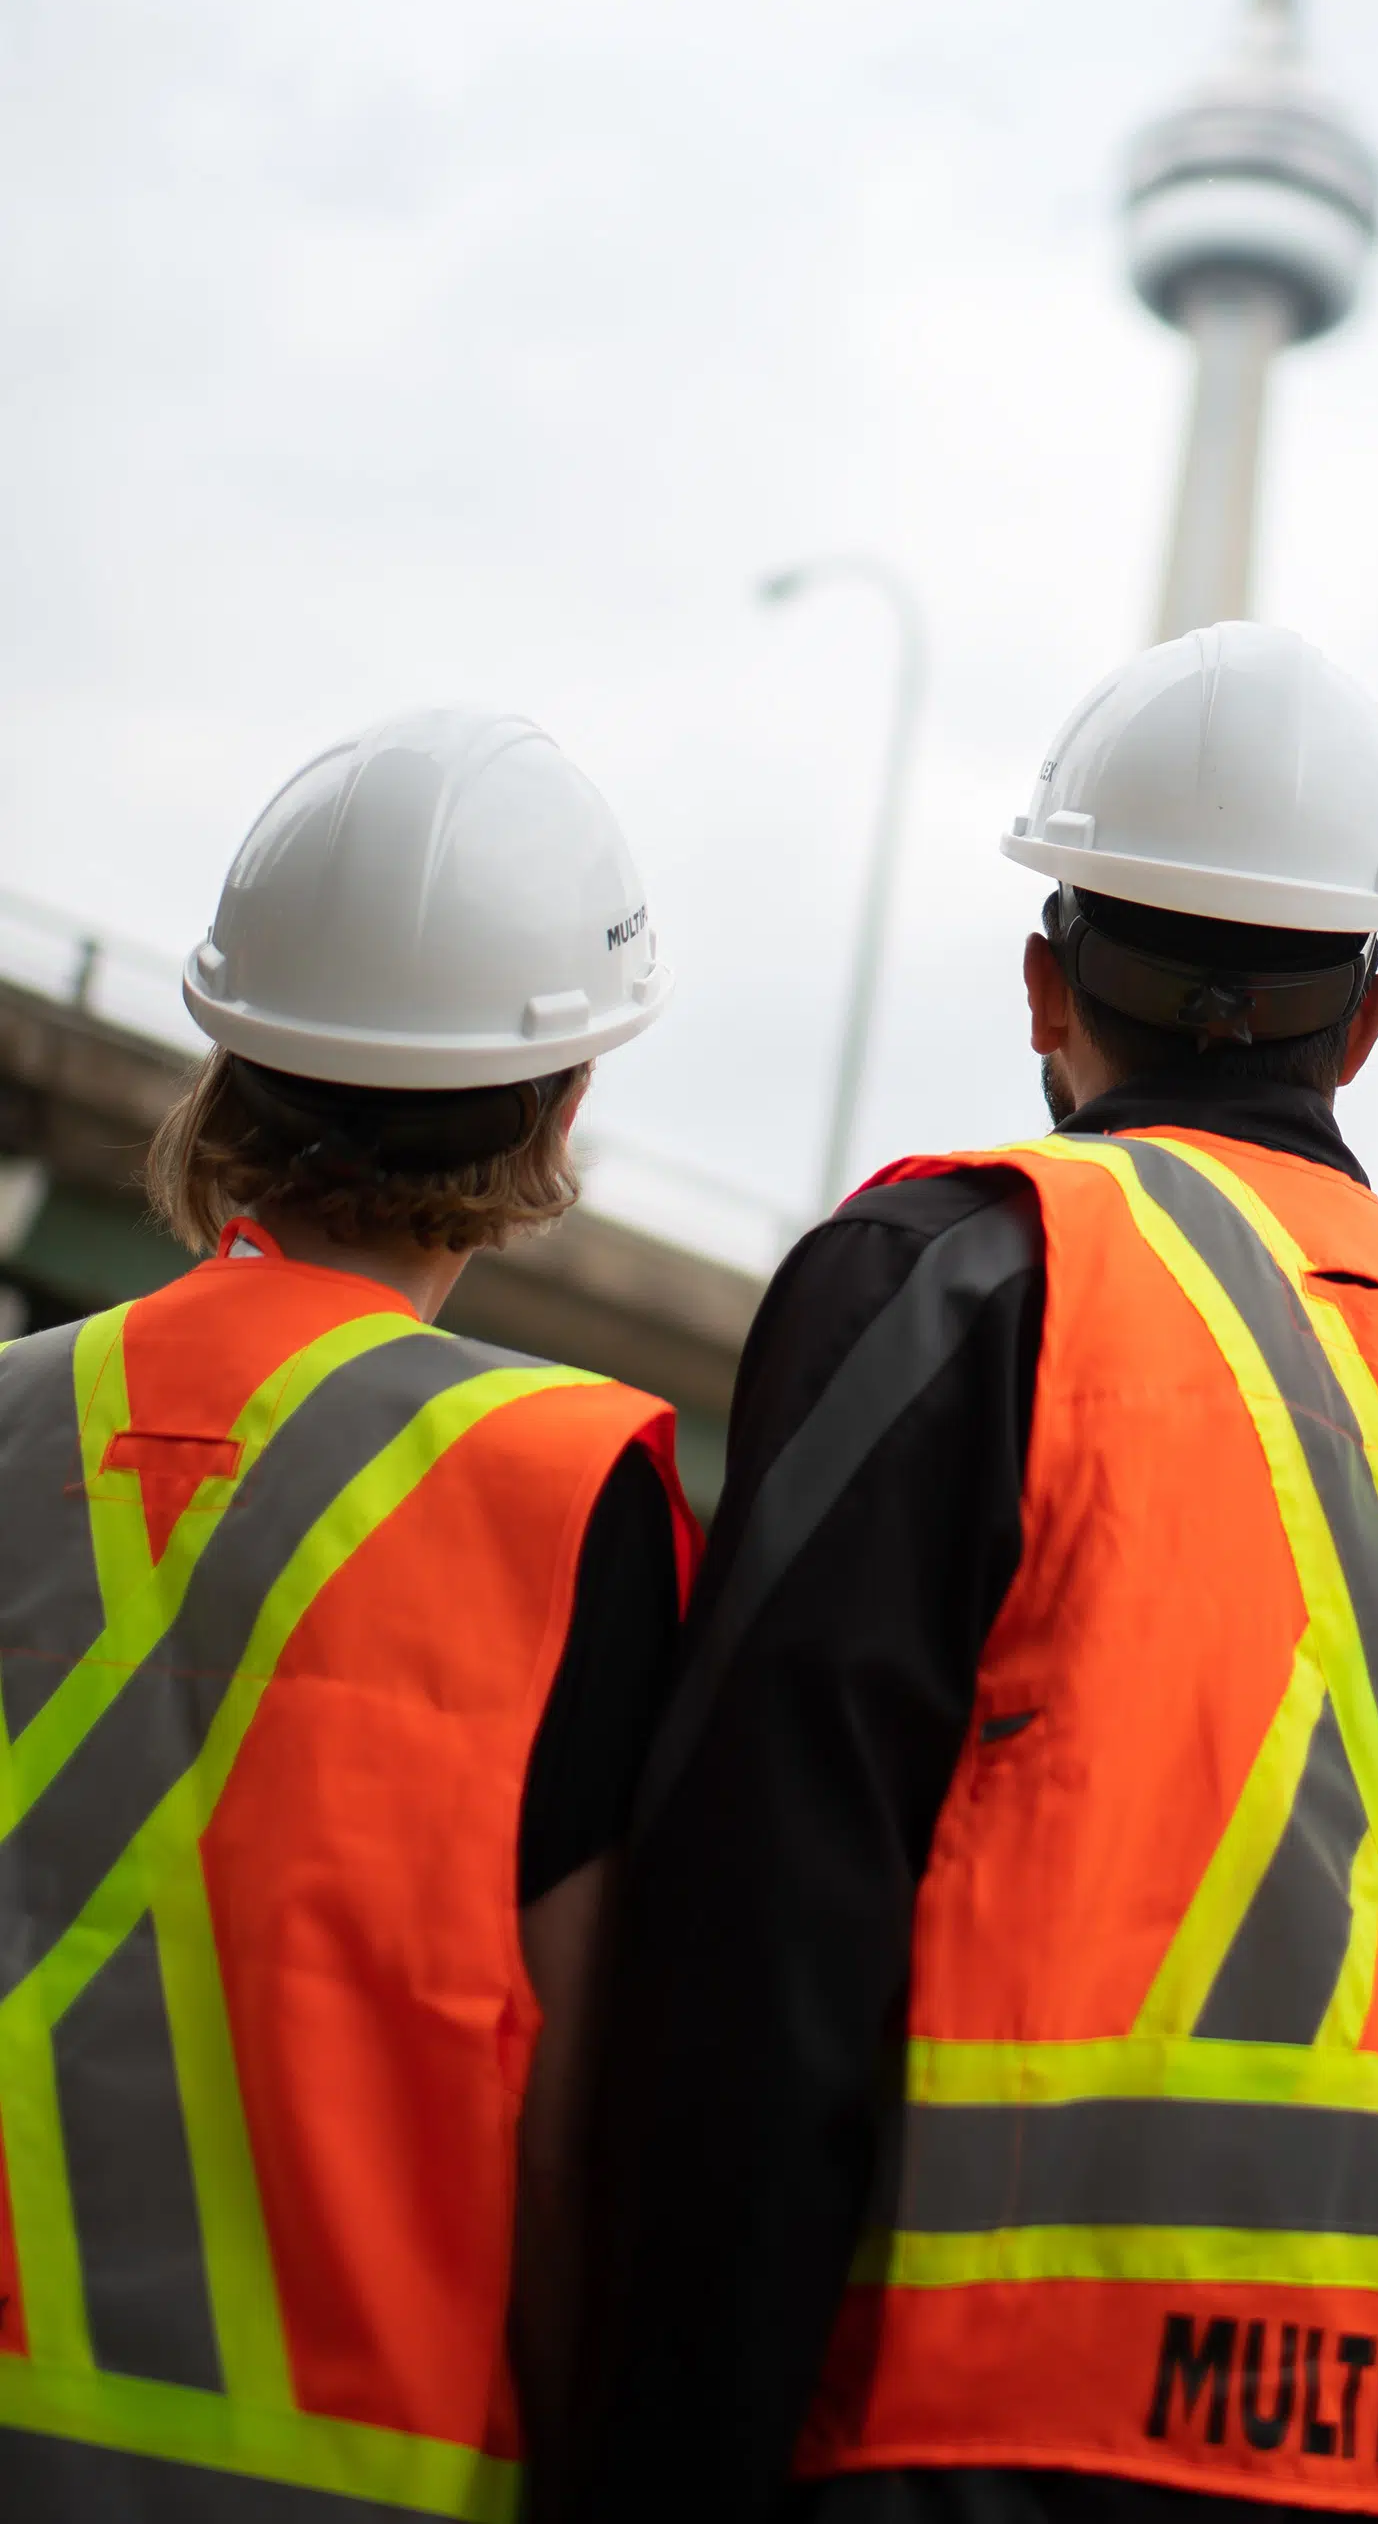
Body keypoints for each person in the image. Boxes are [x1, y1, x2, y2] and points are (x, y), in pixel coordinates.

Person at [565, 619, 1378, 2524]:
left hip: (979, 2448)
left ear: (1041, 985)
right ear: (1369, 1019)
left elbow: (756, 1952)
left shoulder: (957, 1279)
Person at [0, 706, 696, 2518]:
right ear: (562, 1099)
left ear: (226, 1052)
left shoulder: (11, 1421)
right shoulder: (565, 1492)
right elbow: (571, 2131)